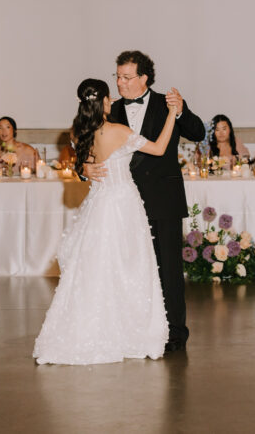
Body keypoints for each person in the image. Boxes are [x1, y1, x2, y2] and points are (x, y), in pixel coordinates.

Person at [33, 78, 180, 365]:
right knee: (129, 266)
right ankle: (129, 333)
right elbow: (160, 148)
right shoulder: (118, 131)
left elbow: (82, 163)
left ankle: (94, 329)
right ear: (103, 101)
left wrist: (84, 167)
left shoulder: (78, 131)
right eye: (109, 97)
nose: (112, 101)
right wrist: (172, 113)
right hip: (124, 203)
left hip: (99, 204)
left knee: (95, 267)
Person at [86, 50, 205, 354]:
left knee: (169, 269)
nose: (120, 83)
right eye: (118, 76)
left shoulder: (168, 103)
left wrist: (181, 111)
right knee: (128, 268)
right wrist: (83, 168)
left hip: (163, 199)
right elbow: (86, 145)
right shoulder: (109, 109)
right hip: (123, 204)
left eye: (127, 77)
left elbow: (198, 132)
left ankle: (175, 332)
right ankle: (134, 329)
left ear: (144, 78)